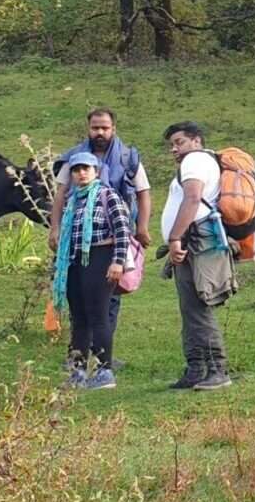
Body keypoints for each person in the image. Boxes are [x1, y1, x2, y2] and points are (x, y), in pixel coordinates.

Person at [52, 108, 152, 362]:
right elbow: (61, 194)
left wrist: (141, 227)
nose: (99, 132)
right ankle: (81, 360)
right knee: (81, 309)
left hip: (110, 240)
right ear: (88, 129)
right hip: (75, 244)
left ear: (113, 129)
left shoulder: (128, 158)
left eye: (104, 128)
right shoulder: (74, 158)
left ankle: (103, 358)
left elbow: (143, 193)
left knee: (108, 303)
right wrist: (56, 229)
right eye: (95, 127)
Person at [160, 121, 237, 391]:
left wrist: (174, 238)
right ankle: (196, 368)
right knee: (190, 308)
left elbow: (192, 199)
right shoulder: (201, 162)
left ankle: (217, 369)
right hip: (194, 240)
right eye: (172, 145)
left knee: (198, 307)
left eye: (179, 142)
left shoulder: (194, 161)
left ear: (196, 140)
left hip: (195, 241)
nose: (174, 149)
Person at [54, 152, 137, 389]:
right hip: (74, 259)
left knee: (98, 315)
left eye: (86, 169)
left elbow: (122, 231)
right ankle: (78, 371)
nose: (81, 173)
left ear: (96, 171)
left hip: (100, 256)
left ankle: (104, 370)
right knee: (78, 318)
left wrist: (117, 261)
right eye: (77, 169)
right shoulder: (73, 201)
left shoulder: (107, 195)